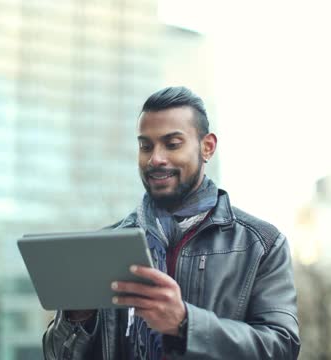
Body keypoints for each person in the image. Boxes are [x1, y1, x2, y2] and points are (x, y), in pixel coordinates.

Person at [42, 86, 300, 359]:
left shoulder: (261, 244)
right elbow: (56, 354)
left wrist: (186, 323)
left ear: (207, 147)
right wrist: (77, 319)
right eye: (146, 146)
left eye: (172, 144)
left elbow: (282, 347)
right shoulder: (103, 246)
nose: (156, 159)